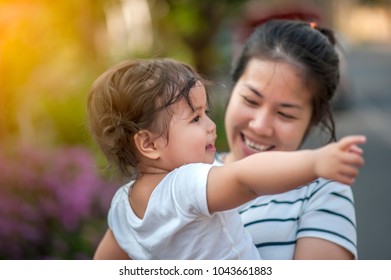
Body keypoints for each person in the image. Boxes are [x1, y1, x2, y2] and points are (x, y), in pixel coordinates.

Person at [87, 57, 365, 259]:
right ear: (149, 143)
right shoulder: (186, 184)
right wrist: (314, 162)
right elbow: (246, 178)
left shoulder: (122, 207)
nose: (211, 125)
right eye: (196, 118)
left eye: (206, 112)